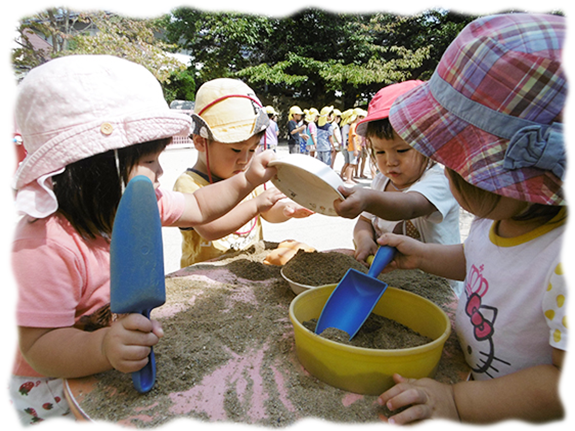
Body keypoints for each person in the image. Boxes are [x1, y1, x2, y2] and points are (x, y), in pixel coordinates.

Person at [4, 56, 278, 430]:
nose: (161, 172)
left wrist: (246, 182)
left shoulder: (132, 204)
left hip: (108, 353)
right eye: (150, 161)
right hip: (47, 390)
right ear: (94, 168)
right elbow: (40, 347)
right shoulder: (43, 246)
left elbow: (198, 205)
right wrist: (102, 348)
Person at [376, 14, 572, 431]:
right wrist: (424, 256)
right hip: (483, 381)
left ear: (516, 179)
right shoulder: (502, 214)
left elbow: (566, 384)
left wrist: (459, 403)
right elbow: (485, 262)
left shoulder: (568, 257)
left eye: (457, 164)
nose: (446, 173)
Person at [334, 81, 462, 295]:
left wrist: (368, 199)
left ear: (429, 144)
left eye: (401, 150)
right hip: (394, 283)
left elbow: (410, 206)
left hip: (437, 290)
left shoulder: (439, 180)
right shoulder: (381, 181)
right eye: (380, 152)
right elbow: (364, 221)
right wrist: (364, 240)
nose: (390, 161)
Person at [174, 78, 313, 268]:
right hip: (206, 278)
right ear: (200, 142)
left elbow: (267, 212)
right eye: (235, 150)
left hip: (248, 270)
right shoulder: (189, 184)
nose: (245, 159)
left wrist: (286, 210)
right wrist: (256, 204)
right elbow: (210, 229)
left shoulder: (245, 176)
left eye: (252, 149)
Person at [343, 108, 366, 184]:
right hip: (353, 148)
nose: (362, 119)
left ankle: (351, 178)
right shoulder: (353, 126)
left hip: (356, 147)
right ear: (357, 117)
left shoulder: (355, 125)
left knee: (353, 163)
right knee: (352, 164)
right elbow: (353, 138)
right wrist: (355, 149)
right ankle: (348, 179)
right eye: (361, 117)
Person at [339, 109, 354, 180]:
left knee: (348, 163)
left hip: (347, 147)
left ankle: (349, 176)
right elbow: (347, 138)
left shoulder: (347, 126)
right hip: (346, 147)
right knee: (347, 163)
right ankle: (341, 175)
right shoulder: (346, 127)